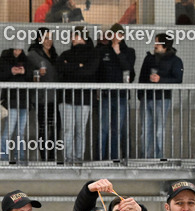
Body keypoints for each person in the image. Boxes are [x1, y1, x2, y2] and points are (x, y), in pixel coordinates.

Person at [57, 26, 99, 164]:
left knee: (80, 130)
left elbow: (89, 71)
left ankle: (78, 158)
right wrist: (79, 66)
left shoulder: (93, 54)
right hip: (67, 98)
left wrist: (71, 66)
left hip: (84, 99)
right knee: (67, 129)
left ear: (83, 37)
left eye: (75, 35)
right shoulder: (65, 54)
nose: (72, 38)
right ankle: (68, 158)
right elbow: (60, 69)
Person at [138, 34, 183, 159]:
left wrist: (161, 80)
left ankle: (159, 158)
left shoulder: (175, 61)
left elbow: (178, 79)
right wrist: (141, 95)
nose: (155, 45)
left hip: (162, 99)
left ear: (165, 46)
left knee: (159, 131)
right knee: (145, 130)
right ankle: (145, 158)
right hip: (147, 98)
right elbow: (142, 77)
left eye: (157, 43)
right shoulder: (149, 59)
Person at [96, 23, 135, 161]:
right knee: (103, 128)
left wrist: (118, 52)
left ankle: (113, 158)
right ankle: (100, 158)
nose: (116, 37)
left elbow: (128, 70)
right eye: (113, 34)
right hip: (106, 95)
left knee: (116, 130)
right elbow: (98, 72)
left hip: (121, 96)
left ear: (123, 36)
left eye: (119, 34)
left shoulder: (129, 51)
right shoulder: (103, 51)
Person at [0, 47, 32, 162]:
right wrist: (11, 72)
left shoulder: (27, 61)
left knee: (20, 132)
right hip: (10, 101)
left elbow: (33, 77)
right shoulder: (2, 60)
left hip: (24, 101)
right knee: (8, 131)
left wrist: (25, 72)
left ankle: (20, 157)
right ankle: (4, 157)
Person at [25, 29, 59, 162]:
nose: (48, 41)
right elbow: (28, 73)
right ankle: (44, 157)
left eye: (50, 38)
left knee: (55, 127)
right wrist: (36, 73)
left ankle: (52, 157)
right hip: (41, 99)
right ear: (39, 39)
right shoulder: (33, 55)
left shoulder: (54, 55)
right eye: (46, 38)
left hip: (54, 98)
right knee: (43, 128)